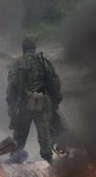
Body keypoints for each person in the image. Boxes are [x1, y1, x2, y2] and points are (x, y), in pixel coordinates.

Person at [6, 34, 62, 164]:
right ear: (34, 47)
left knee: (20, 132)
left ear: (23, 48)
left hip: (25, 101)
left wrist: (11, 101)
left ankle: (15, 156)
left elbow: (12, 83)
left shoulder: (18, 63)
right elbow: (55, 81)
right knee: (44, 132)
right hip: (43, 100)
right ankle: (48, 158)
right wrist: (55, 99)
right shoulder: (44, 62)